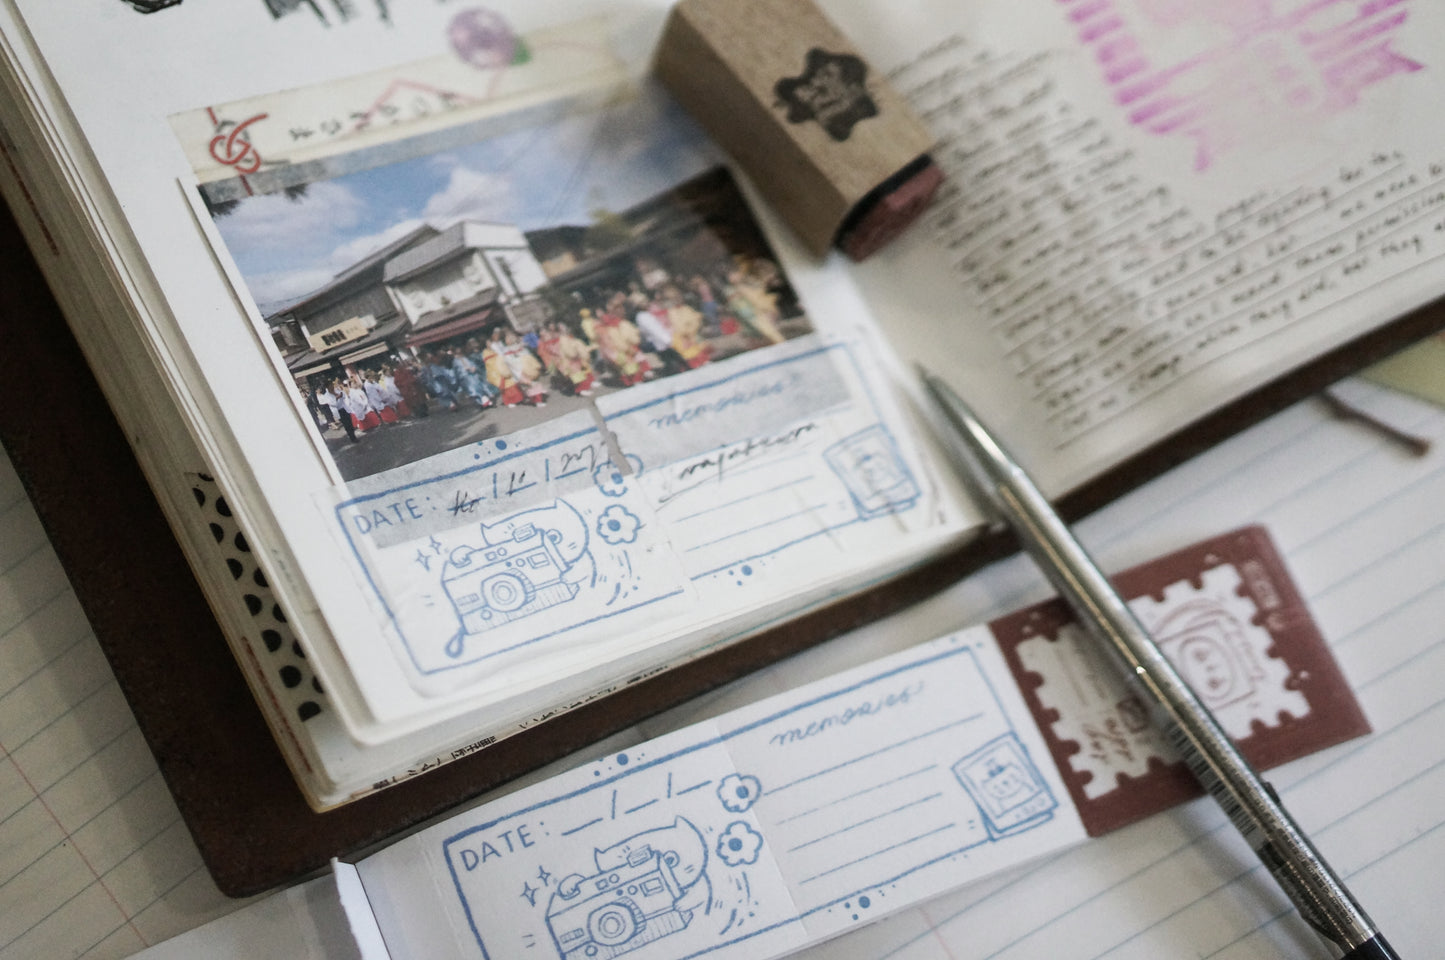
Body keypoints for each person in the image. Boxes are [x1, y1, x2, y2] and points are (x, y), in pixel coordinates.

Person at [595, 292, 649, 387]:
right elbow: (607, 341)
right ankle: (634, 379)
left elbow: (630, 335)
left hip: (627, 346)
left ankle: (639, 376)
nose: (619, 310)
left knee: (635, 362)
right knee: (627, 366)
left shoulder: (621, 322)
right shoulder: (606, 326)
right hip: (618, 349)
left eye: (620, 307)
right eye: (616, 308)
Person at [537, 321, 596, 396]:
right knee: (575, 373)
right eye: (542, 333)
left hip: (571, 355)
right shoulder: (546, 343)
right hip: (564, 360)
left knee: (583, 368)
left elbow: (567, 340)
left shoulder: (557, 335)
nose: (545, 334)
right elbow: (551, 352)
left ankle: (589, 382)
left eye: (545, 331)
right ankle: (581, 389)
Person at [664, 285, 710, 369]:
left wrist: (696, 321)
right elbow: (677, 325)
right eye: (673, 299)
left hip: (694, 333)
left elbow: (695, 319)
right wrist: (685, 332)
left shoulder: (686, 308)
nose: (677, 300)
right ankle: (697, 365)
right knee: (690, 353)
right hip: (684, 337)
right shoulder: (672, 312)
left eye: (678, 297)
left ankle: (705, 361)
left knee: (701, 349)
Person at [502, 330, 547, 406]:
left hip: (524, 368)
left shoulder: (518, 347)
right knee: (530, 385)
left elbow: (526, 355)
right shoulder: (508, 350)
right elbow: (509, 361)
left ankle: (537, 399)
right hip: (521, 369)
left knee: (532, 384)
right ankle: (537, 400)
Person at [483, 329, 525, 406]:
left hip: (506, 364)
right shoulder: (487, 351)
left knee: (513, 383)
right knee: (506, 386)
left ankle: (519, 398)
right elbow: (490, 362)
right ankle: (510, 401)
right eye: (487, 343)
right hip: (499, 368)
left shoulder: (500, 343)